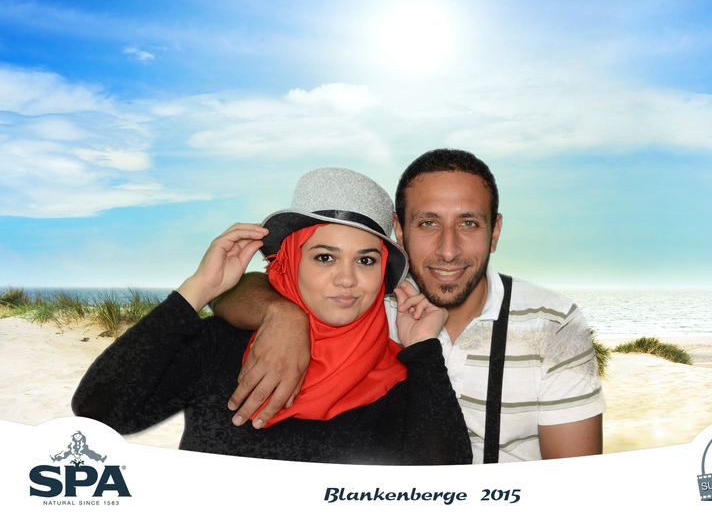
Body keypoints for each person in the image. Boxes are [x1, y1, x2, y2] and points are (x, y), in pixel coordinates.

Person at [215, 149, 606, 463]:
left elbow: (572, 487)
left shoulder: (553, 323)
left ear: (495, 231)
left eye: (468, 223)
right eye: (428, 223)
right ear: (400, 231)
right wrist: (282, 314)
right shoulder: (364, 303)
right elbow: (238, 290)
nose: (448, 251)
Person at [72, 168, 472, 465]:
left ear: (382, 274)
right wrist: (199, 289)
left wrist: (423, 350)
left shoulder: (399, 376)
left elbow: (444, 486)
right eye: (325, 257)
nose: (347, 279)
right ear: (291, 262)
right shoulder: (222, 344)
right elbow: (99, 413)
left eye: (366, 260)